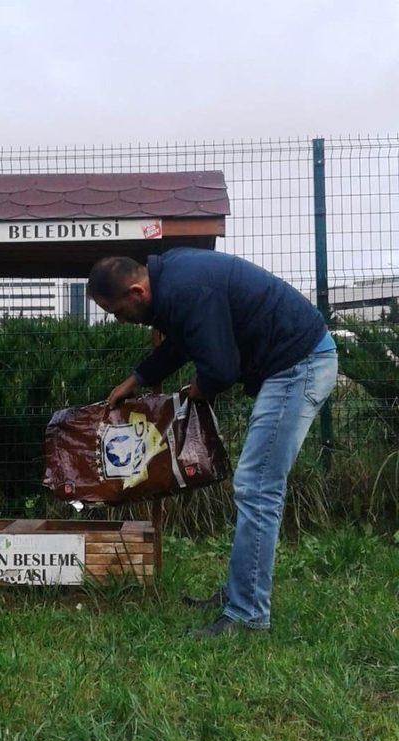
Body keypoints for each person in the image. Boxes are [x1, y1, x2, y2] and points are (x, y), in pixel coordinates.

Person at [87, 247, 338, 638]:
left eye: (116, 312)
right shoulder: (172, 281)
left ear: (136, 292)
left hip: (299, 366)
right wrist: (136, 379)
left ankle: (248, 614)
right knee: (255, 486)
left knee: (257, 487)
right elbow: (182, 344)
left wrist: (201, 388)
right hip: (290, 365)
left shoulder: (186, 289)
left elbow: (221, 369)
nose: (119, 321)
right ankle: (242, 594)